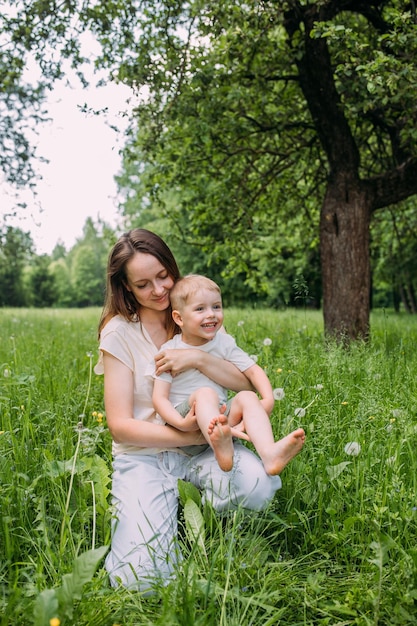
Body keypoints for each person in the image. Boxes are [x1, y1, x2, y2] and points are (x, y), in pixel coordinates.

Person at [95, 228, 305, 592]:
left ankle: (207, 515)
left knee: (257, 487)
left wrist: (196, 357)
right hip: (147, 456)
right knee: (139, 581)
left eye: (163, 276)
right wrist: (190, 432)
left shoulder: (197, 312)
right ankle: (162, 520)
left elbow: (245, 383)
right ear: (126, 287)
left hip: (207, 450)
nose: (158, 290)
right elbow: (120, 426)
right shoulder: (119, 332)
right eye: (143, 284)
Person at [150, 274, 304, 474]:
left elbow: (253, 371)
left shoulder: (224, 344)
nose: (211, 314)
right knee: (205, 393)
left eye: (216, 307)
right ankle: (221, 445)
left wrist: (267, 398)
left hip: (220, 422)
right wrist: (181, 423)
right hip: (185, 425)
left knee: (248, 396)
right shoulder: (170, 351)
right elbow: (159, 398)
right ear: (179, 318)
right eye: (200, 309)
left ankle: (269, 454)